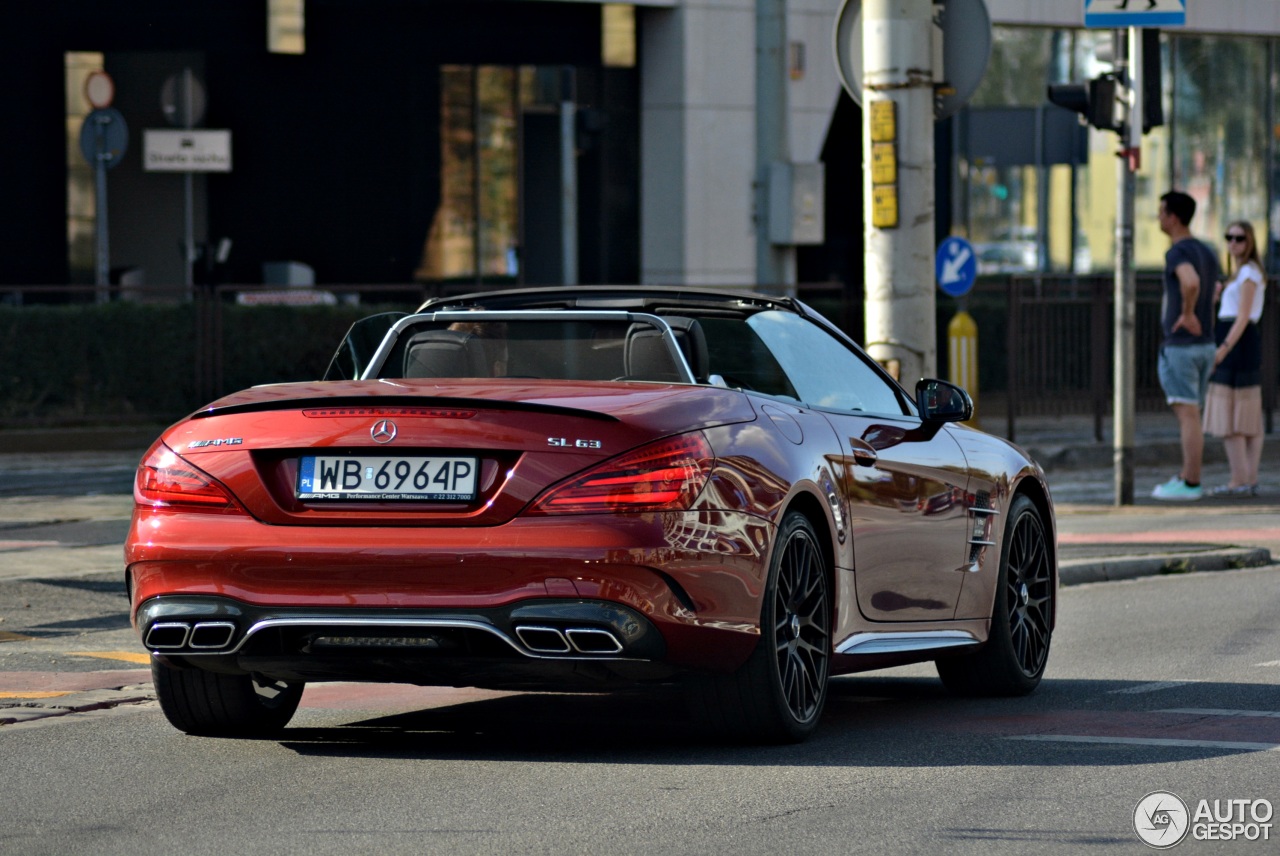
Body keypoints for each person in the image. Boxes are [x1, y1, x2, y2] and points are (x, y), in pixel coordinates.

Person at [1152, 190, 1219, 501]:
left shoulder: (1177, 253)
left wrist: (1188, 313)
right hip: (1205, 344)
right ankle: (1187, 476)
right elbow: (1215, 288)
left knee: (1187, 415)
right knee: (1194, 414)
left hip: (1183, 344)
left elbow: (1190, 282)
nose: (1159, 217)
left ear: (1173, 217)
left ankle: (1191, 482)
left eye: (1162, 212)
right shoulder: (1207, 251)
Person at [1203, 220, 1266, 496]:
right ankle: (1245, 479)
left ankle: (1241, 479)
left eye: (1239, 238)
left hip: (1238, 341)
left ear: (1250, 241)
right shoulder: (1239, 274)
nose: (1233, 243)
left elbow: (1243, 316)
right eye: (1228, 237)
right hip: (1237, 339)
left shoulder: (1249, 273)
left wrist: (1224, 347)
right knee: (1242, 413)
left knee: (1236, 414)